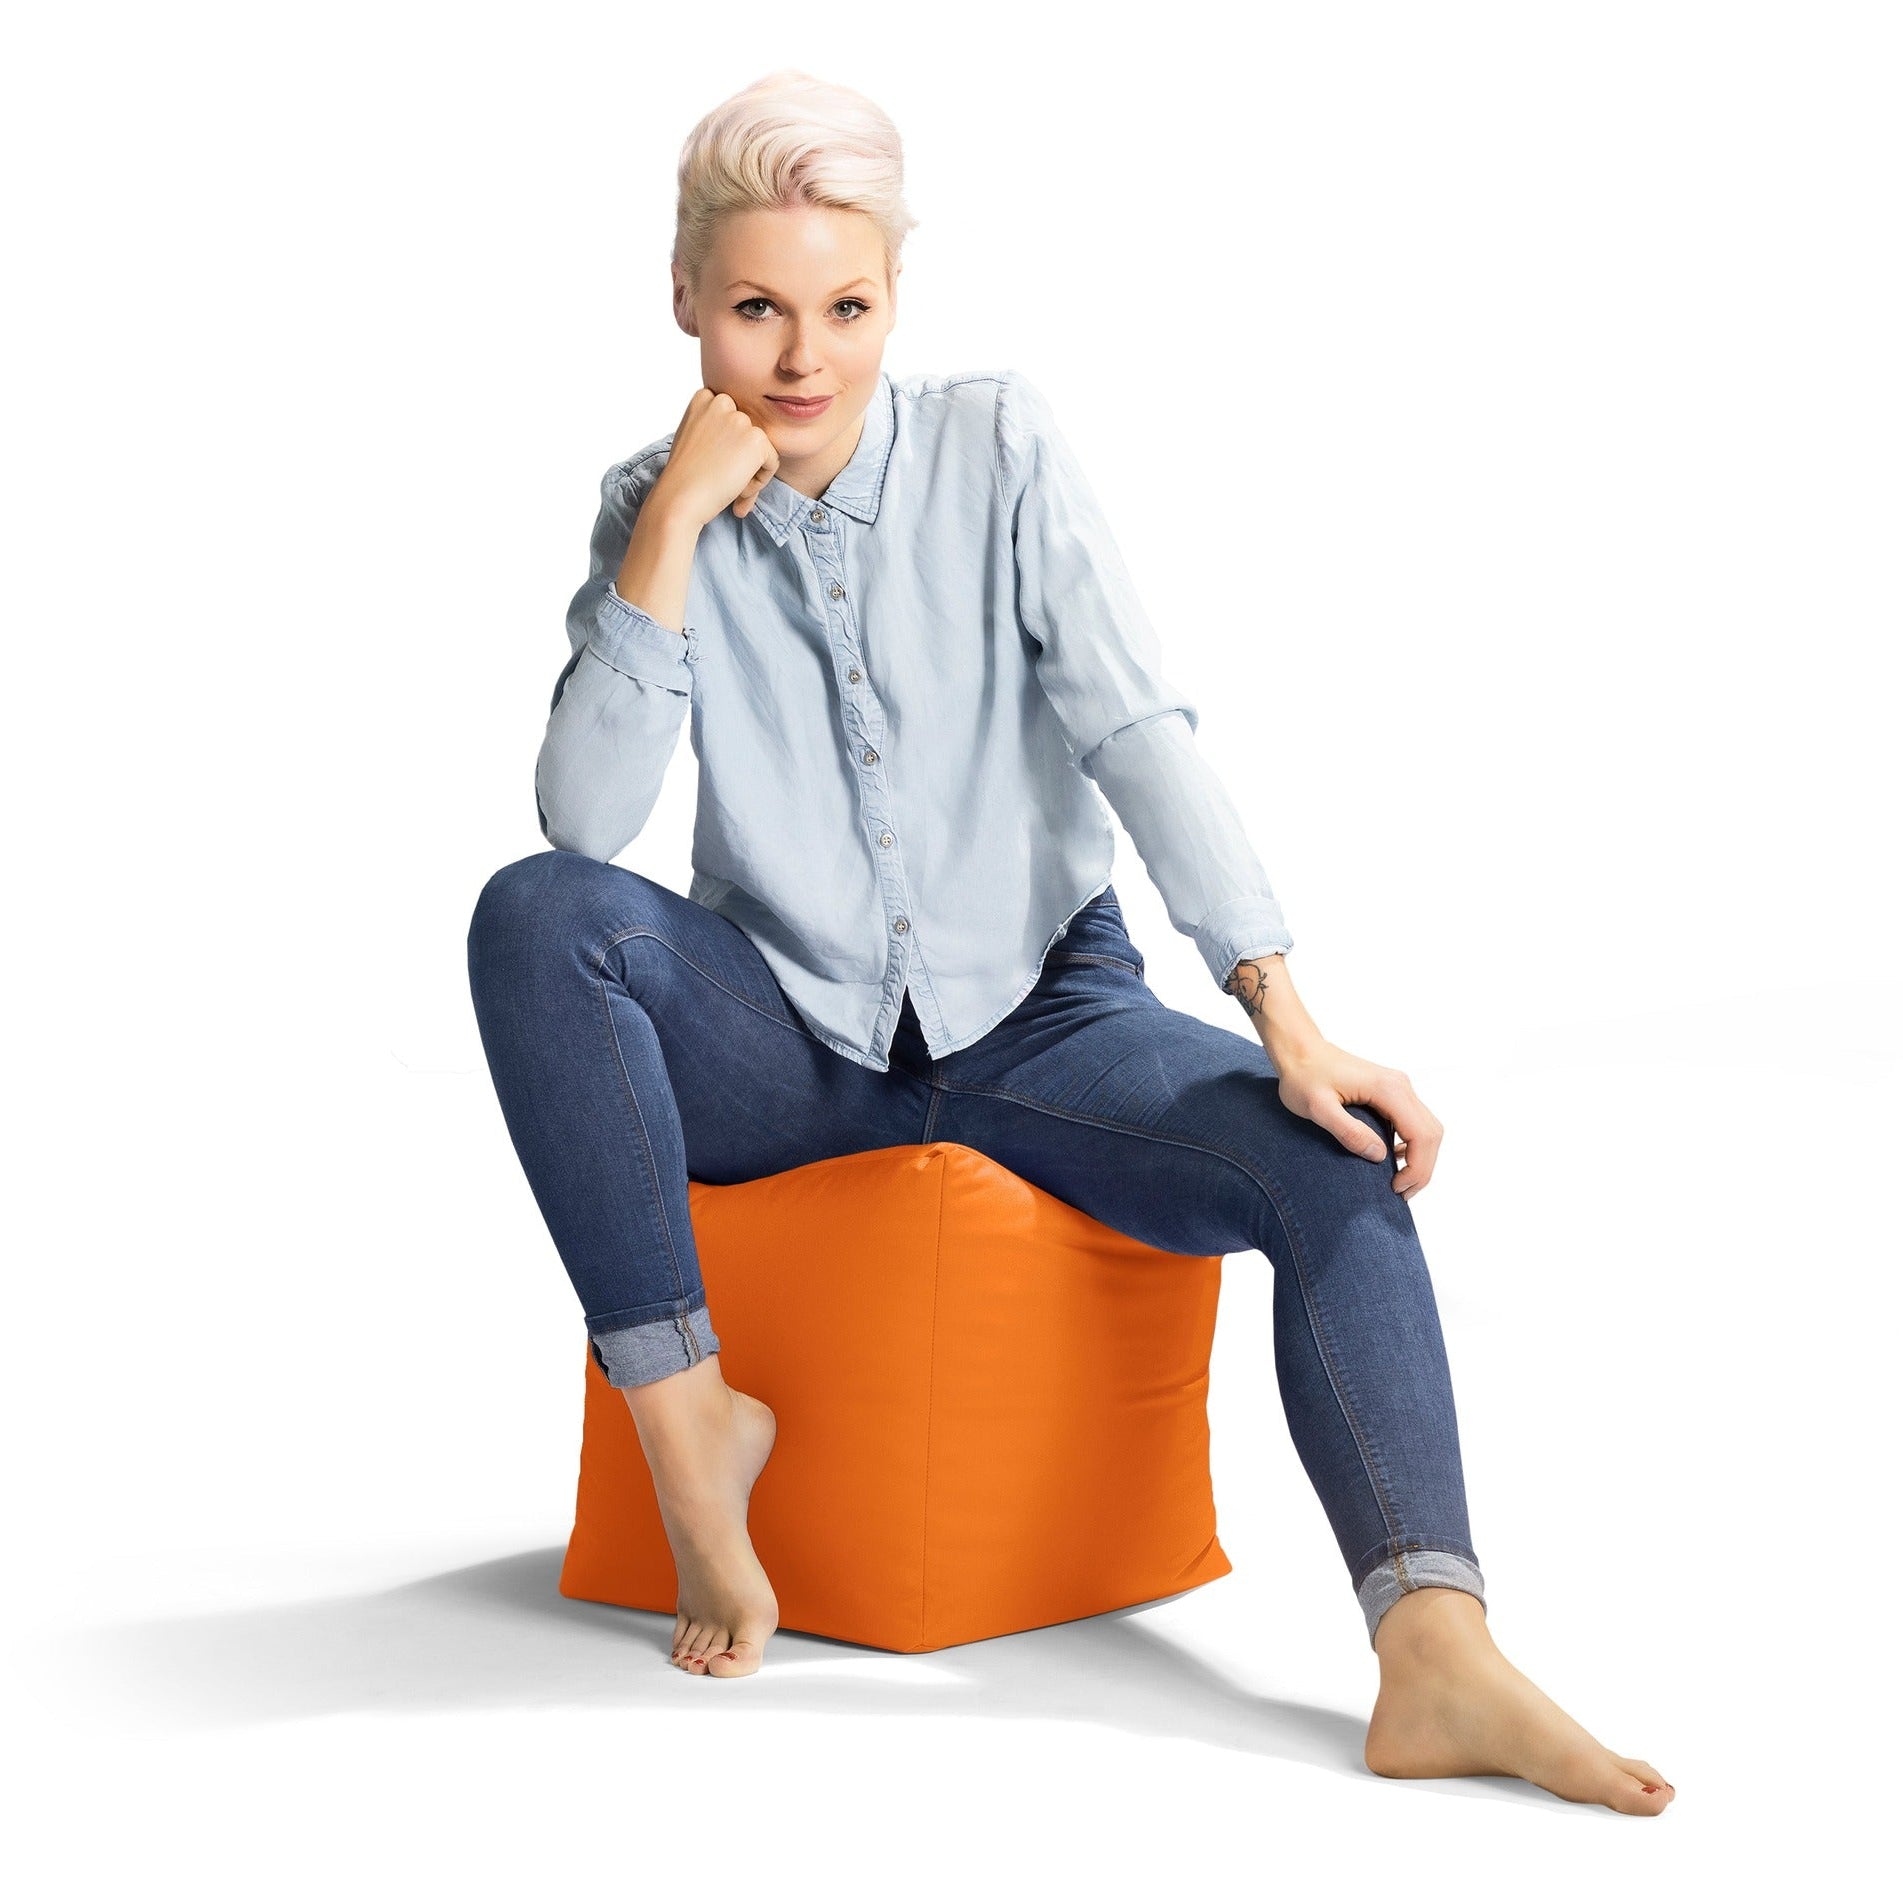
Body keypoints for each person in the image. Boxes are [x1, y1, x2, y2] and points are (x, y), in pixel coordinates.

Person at [466, 69, 1674, 1815]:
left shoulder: (999, 446)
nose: (803, 358)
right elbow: (585, 823)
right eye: (755, 310)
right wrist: (668, 531)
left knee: (1329, 1161)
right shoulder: (646, 505)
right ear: (687, 305)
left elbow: (1136, 728)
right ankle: (691, 1437)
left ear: (895, 298)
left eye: (847, 307)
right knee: (535, 915)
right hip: (785, 1047)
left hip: (1045, 1024)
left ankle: (1436, 1651)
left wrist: (1286, 1015)